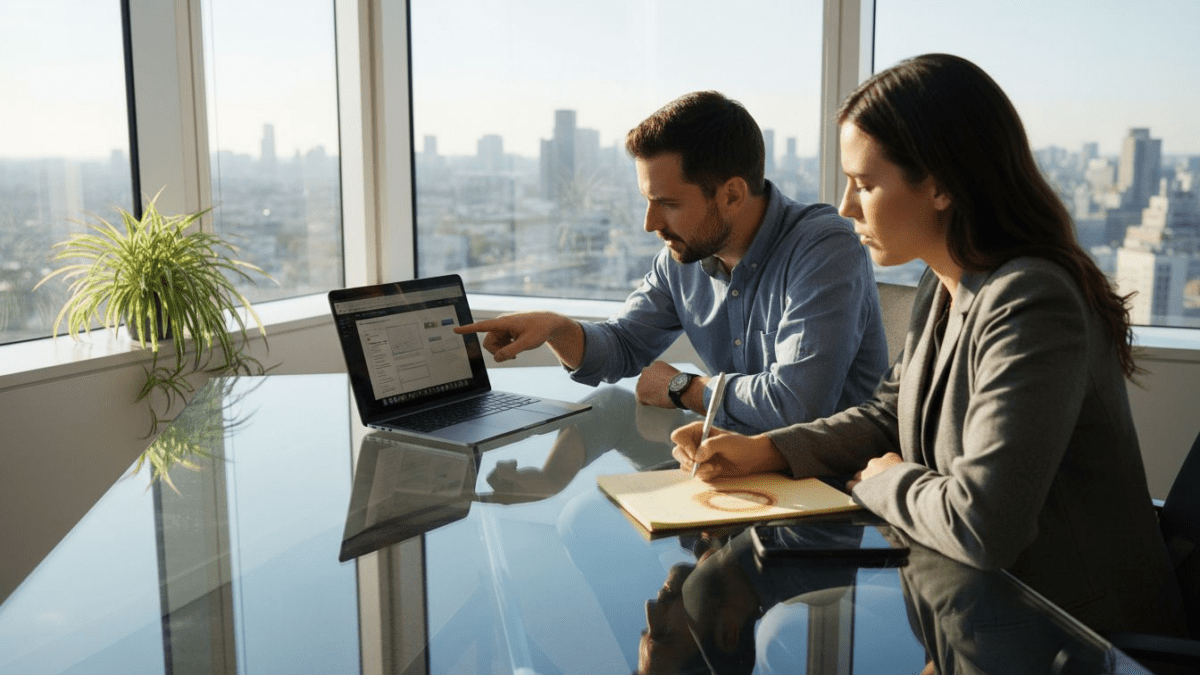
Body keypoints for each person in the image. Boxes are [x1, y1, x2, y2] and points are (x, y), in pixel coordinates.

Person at [671, 54, 1188, 639]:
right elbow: (889, 413)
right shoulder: (943, 282)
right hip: (971, 619)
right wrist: (763, 450)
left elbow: (985, 523)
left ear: (939, 184)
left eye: (864, 184)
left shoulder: (1033, 301)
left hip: (1076, 635)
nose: (845, 207)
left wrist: (885, 479)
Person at [456, 91, 888, 434]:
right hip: (734, 469)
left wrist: (685, 388)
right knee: (578, 523)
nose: (650, 224)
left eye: (667, 203)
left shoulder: (824, 249)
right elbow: (624, 346)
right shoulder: (682, 257)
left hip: (830, 492)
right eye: (648, 201)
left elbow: (797, 406)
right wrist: (558, 328)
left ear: (732, 195)